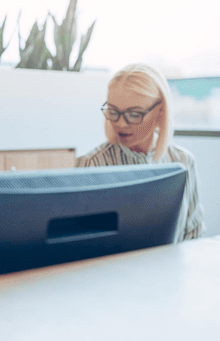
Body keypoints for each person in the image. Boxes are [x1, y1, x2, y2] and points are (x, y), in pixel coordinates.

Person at [76, 63, 205, 241]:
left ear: (160, 110)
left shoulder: (183, 161)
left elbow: (194, 232)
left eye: (134, 114)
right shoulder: (91, 164)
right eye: (113, 112)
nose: (120, 123)